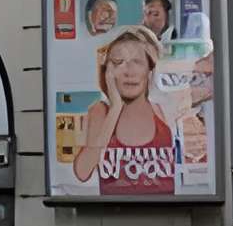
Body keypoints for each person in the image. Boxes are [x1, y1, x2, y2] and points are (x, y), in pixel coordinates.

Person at [67, 29, 177, 195]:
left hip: (166, 215)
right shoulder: (100, 112)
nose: (129, 72)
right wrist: (115, 108)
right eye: (118, 62)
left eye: (137, 62)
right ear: (107, 73)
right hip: (114, 216)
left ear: (149, 70)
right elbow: (82, 172)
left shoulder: (161, 110)